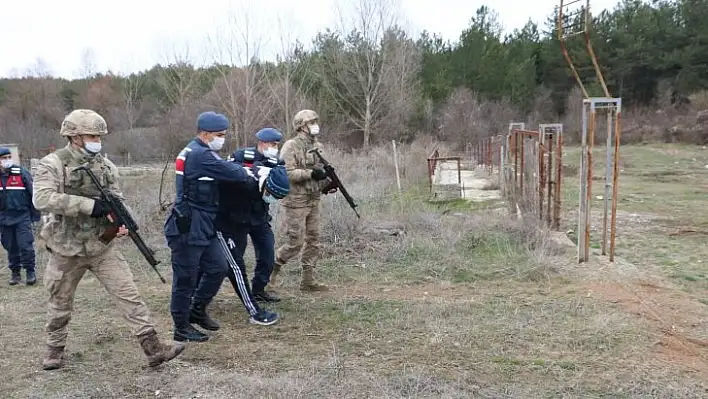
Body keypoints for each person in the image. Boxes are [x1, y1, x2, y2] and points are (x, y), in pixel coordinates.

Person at [32, 109, 185, 371]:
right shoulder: (53, 163)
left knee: (129, 295)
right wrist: (89, 206)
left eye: (100, 136)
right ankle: (54, 350)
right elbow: (42, 198)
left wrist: (121, 221)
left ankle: (153, 349)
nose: (97, 141)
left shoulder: (105, 166)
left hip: (102, 246)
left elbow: (117, 198)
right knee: (60, 302)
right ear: (75, 136)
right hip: (66, 248)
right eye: (92, 136)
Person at [164, 111, 258, 343]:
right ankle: (181, 327)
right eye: (219, 134)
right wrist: (248, 170)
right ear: (205, 134)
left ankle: (197, 310)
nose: (223, 139)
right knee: (185, 279)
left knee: (218, 267)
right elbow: (234, 173)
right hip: (188, 226)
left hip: (205, 225)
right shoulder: (199, 155)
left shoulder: (201, 152)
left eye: (224, 134)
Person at [213, 161, 290, 326]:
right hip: (223, 226)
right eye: (271, 194)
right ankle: (254, 312)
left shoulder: (269, 180)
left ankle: (196, 302)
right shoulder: (240, 181)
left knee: (227, 266)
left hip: (247, 222)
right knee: (236, 268)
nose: (272, 198)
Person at [272, 110, 336, 292]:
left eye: (316, 121)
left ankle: (308, 280)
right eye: (311, 122)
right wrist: (310, 173)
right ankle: (270, 275)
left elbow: (323, 170)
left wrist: (327, 182)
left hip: (313, 198)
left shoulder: (318, 146)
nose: (315, 125)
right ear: (301, 126)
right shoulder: (290, 146)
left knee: (314, 239)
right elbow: (287, 172)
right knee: (295, 241)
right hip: (296, 200)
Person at [228, 127, 285, 302]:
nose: (274, 147)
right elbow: (226, 177)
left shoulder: (277, 163)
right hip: (237, 217)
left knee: (267, 254)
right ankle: (202, 290)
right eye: (271, 144)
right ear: (261, 143)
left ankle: (258, 290)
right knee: (232, 259)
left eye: (277, 144)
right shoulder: (241, 156)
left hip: (259, 216)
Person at [0, 147, 40, 285]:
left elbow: (33, 194)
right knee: (10, 246)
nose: (7, 160)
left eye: (8, 157)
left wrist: (35, 215)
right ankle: (15, 273)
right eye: (3, 158)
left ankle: (30, 272)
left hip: (22, 216)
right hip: (4, 218)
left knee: (26, 245)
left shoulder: (21, 173)